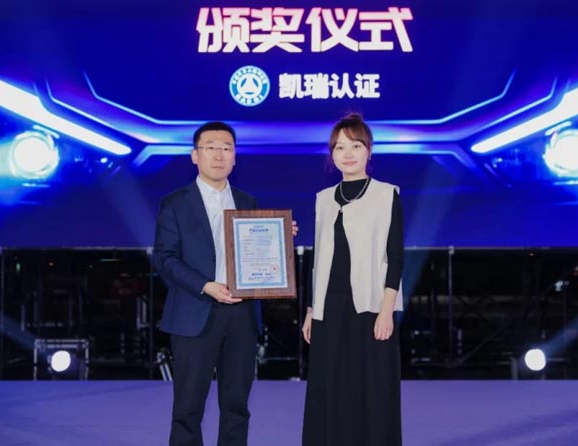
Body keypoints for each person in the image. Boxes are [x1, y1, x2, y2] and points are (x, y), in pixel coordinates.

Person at [153, 121, 297, 446]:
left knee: (236, 406)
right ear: (195, 155)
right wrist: (206, 285)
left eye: (226, 148)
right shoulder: (175, 203)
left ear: (235, 157)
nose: (219, 155)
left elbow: (257, 252)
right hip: (195, 312)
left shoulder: (247, 201)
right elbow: (165, 258)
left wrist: (279, 237)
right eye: (211, 148)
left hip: (241, 316)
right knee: (188, 408)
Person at [301, 113, 404, 446]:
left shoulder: (387, 194)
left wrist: (387, 311)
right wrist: (311, 310)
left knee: (373, 388)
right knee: (329, 387)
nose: (347, 153)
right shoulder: (323, 198)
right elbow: (319, 259)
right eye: (340, 147)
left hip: (370, 307)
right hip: (329, 309)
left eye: (355, 146)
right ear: (332, 154)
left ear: (368, 151)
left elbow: (396, 257)